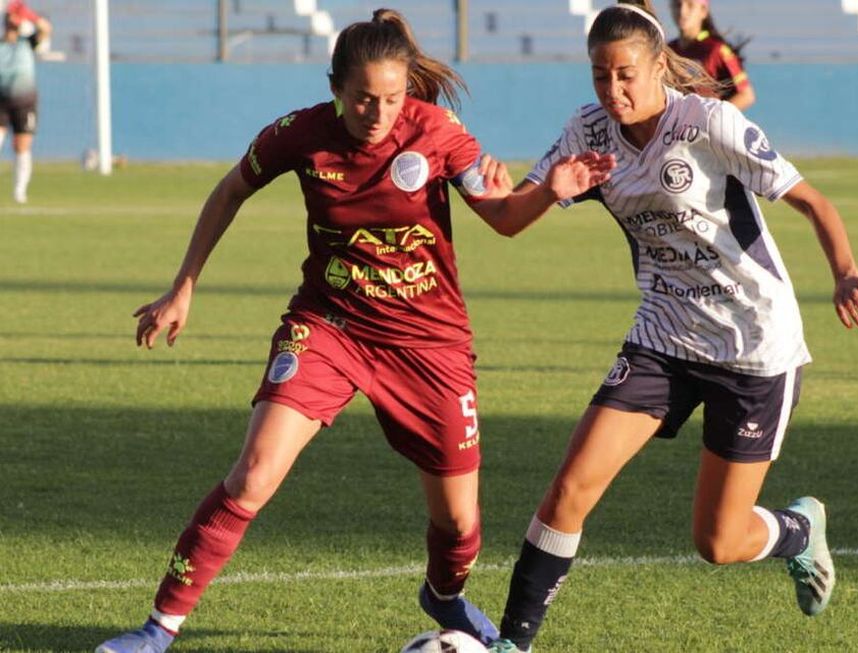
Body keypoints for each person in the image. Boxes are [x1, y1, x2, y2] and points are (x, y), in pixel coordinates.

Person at [94, 9, 614, 653]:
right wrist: (184, 286)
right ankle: (157, 629)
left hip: (429, 345)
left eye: (392, 99)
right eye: (365, 98)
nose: (378, 113)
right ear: (336, 87)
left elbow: (503, 218)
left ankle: (442, 595)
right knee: (253, 474)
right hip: (330, 327)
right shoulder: (300, 134)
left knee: (459, 525)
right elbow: (229, 191)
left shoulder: (438, 132)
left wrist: (552, 191)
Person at [486, 2, 858, 651]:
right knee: (570, 489)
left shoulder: (709, 122)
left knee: (718, 541)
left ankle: (798, 531)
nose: (613, 91)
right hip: (663, 335)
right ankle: (511, 643)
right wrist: (550, 188)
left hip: (753, 344)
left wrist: (845, 272)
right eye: (600, 76)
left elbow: (812, 201)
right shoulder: (587, 131)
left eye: (626, 75)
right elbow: (507, 218)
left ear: (658, 67)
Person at [0, 0, 50, 204]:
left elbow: (46, 29)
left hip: (25, 101)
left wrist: (29, 15)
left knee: (21, 146)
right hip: (1, 100)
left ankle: (19, 192)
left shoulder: (27, 42)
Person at [668, 0, 755, 111]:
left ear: (703, 11)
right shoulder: (667, 50)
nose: (682, 11)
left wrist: (715, 116)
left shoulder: (716, 50)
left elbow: (746, 96)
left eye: (690, 5)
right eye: (677, 4)